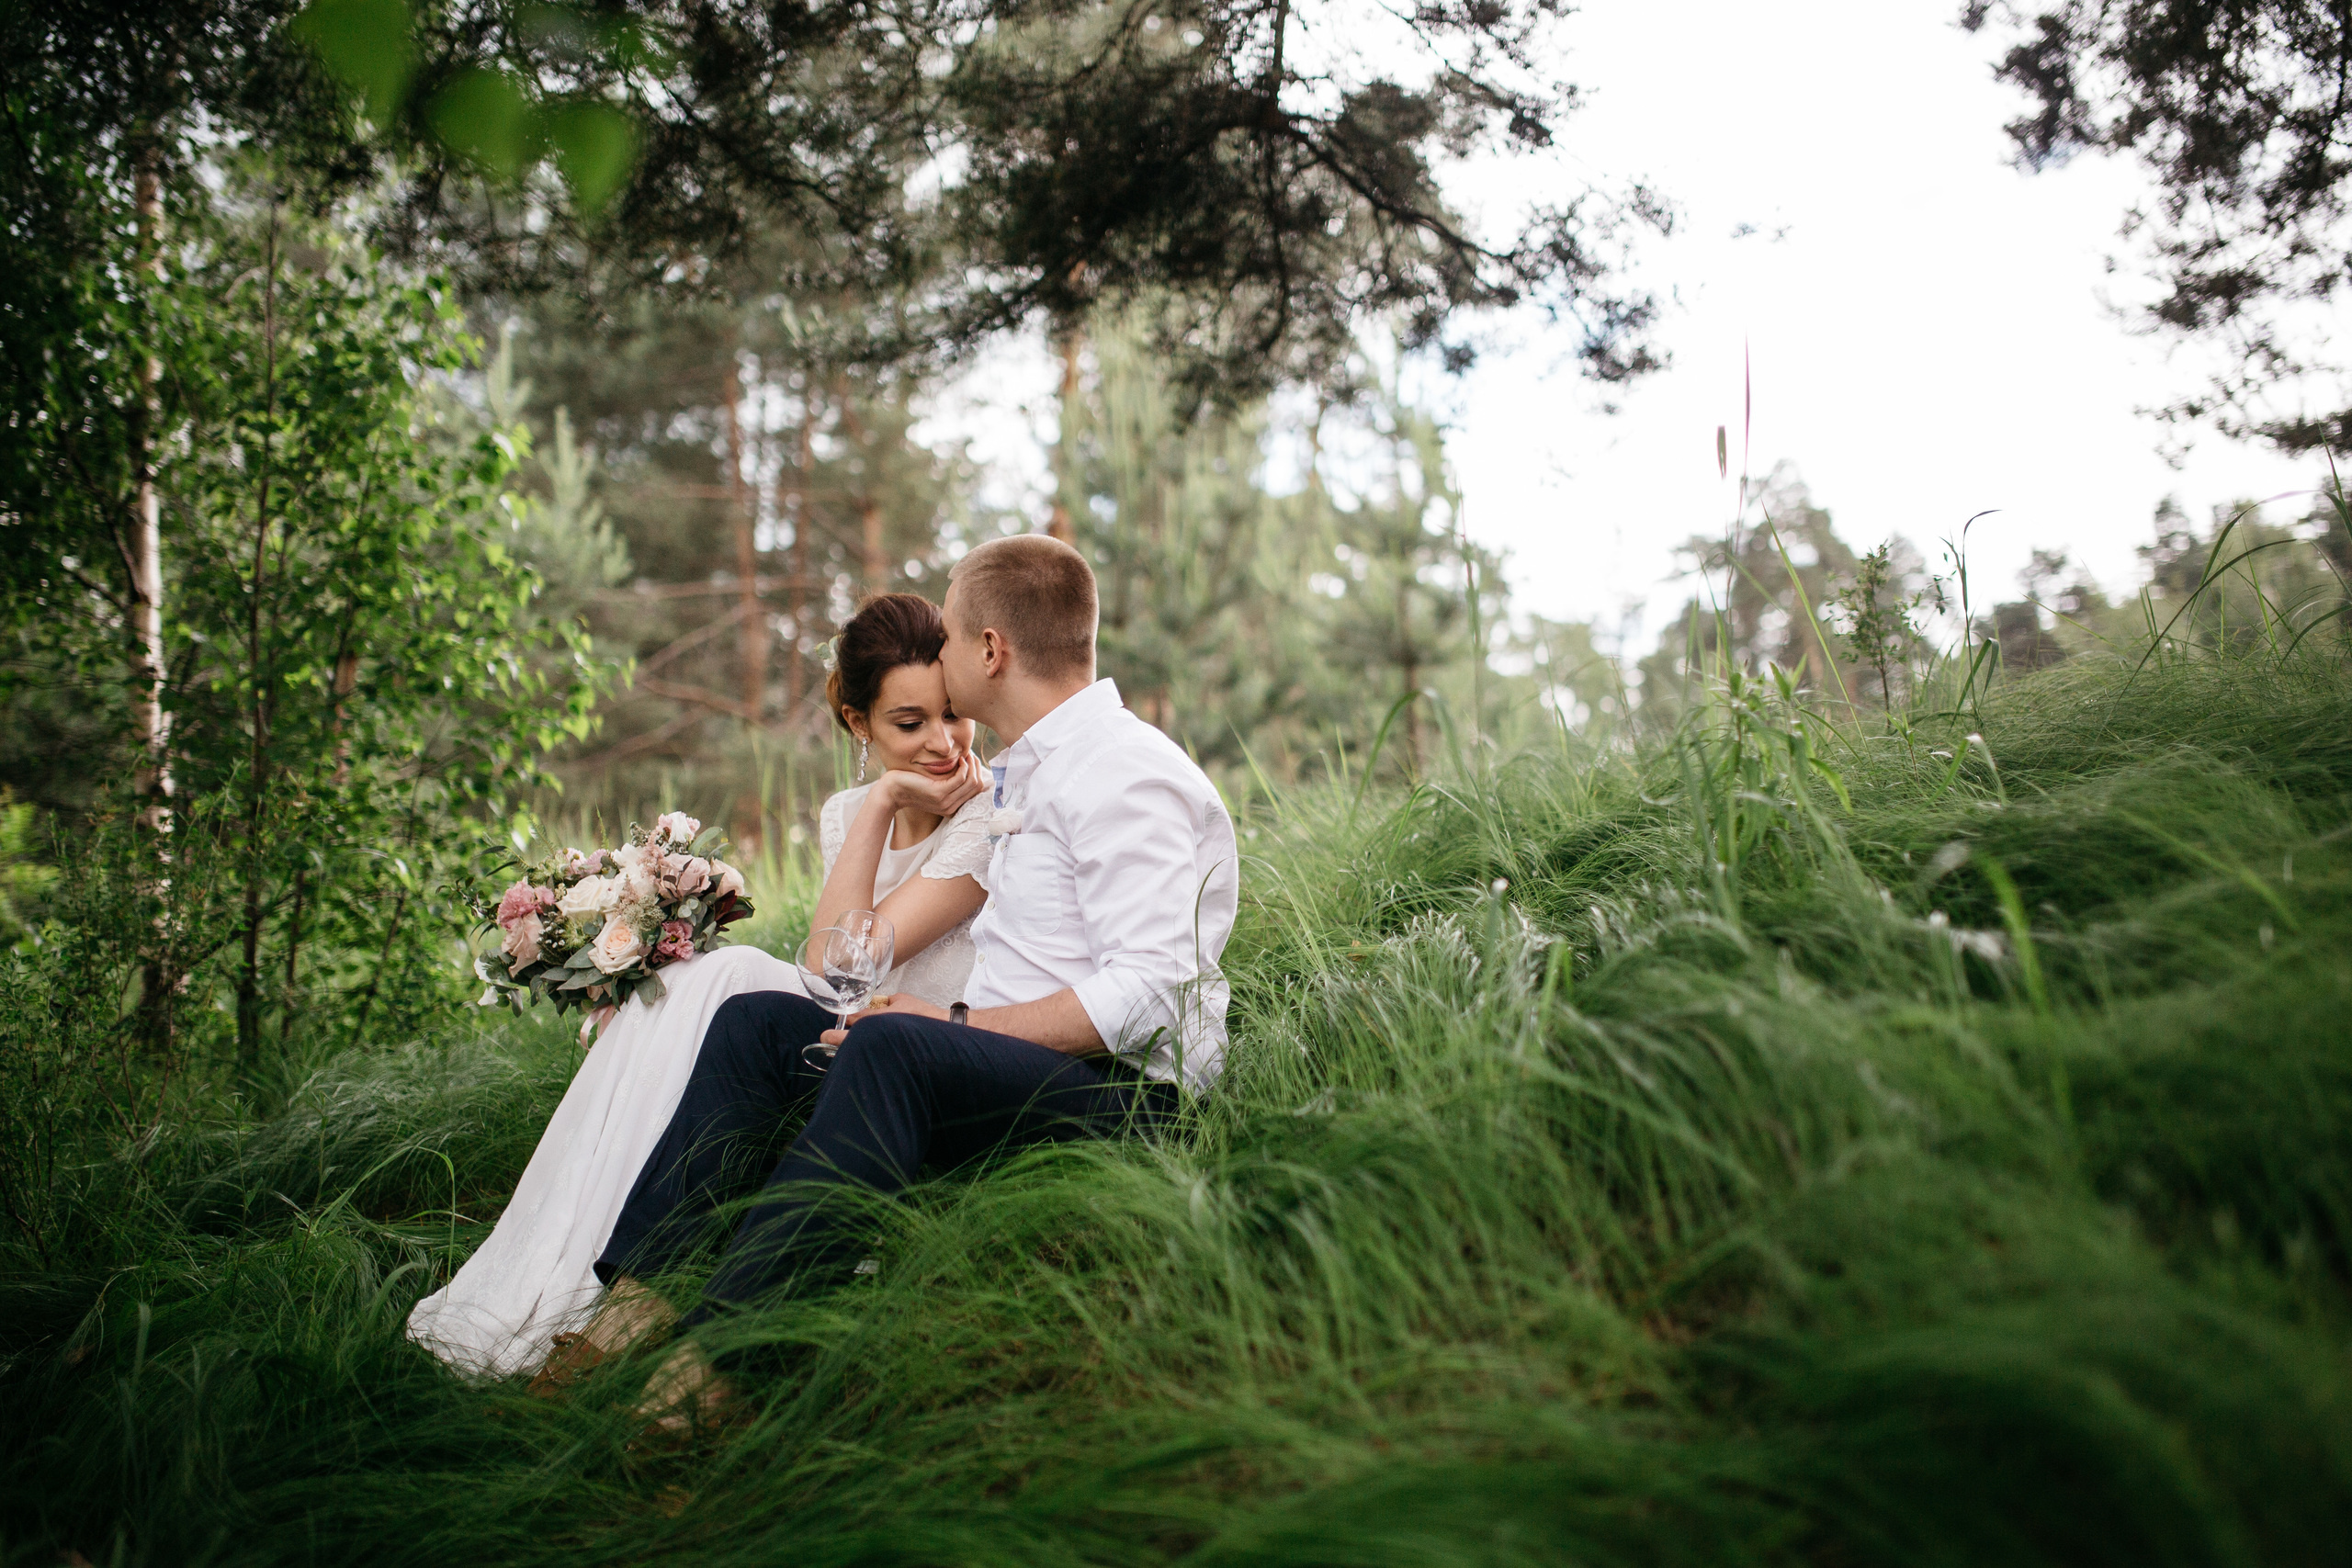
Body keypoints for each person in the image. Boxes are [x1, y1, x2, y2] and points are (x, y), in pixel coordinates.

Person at [543, 534, 1238, 1432]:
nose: (941, 657)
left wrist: (952, 1024)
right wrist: (945, 1022)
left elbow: (1150, 997)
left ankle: (714, 1378)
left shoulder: (1125, 772)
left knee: (893, 1044)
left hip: (1130, 1099)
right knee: (759, 1023)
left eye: (948, 633)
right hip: (1021, 1067)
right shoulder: (1032, 768)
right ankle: (635, 1306)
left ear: (989, 650)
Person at [405, 593, 992, 1378]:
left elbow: (843, 959)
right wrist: (881, 802)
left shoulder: (989, 816)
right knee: (709, 977)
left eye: (953, 714)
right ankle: (591, 1268)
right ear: (860, 725)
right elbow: (831, 965)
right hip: (849, 1020)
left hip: (921, 1038)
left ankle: (625, 1300)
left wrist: (890, 792)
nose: (944, 744)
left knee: (733, 974)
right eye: (909, 723)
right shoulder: (853, 809)